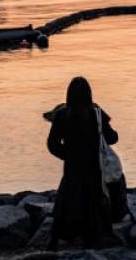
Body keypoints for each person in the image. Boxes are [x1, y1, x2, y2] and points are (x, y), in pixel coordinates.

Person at [46, 76, 118, 249]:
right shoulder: (96, 113)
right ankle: (93, 238)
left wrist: (67, 156)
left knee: (65, 202)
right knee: (93, 200)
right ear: (89, 94)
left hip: (72, 167)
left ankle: (55, 241)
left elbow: (52, 144)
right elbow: (113, 138)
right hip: (94, 166)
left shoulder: (61, 114)